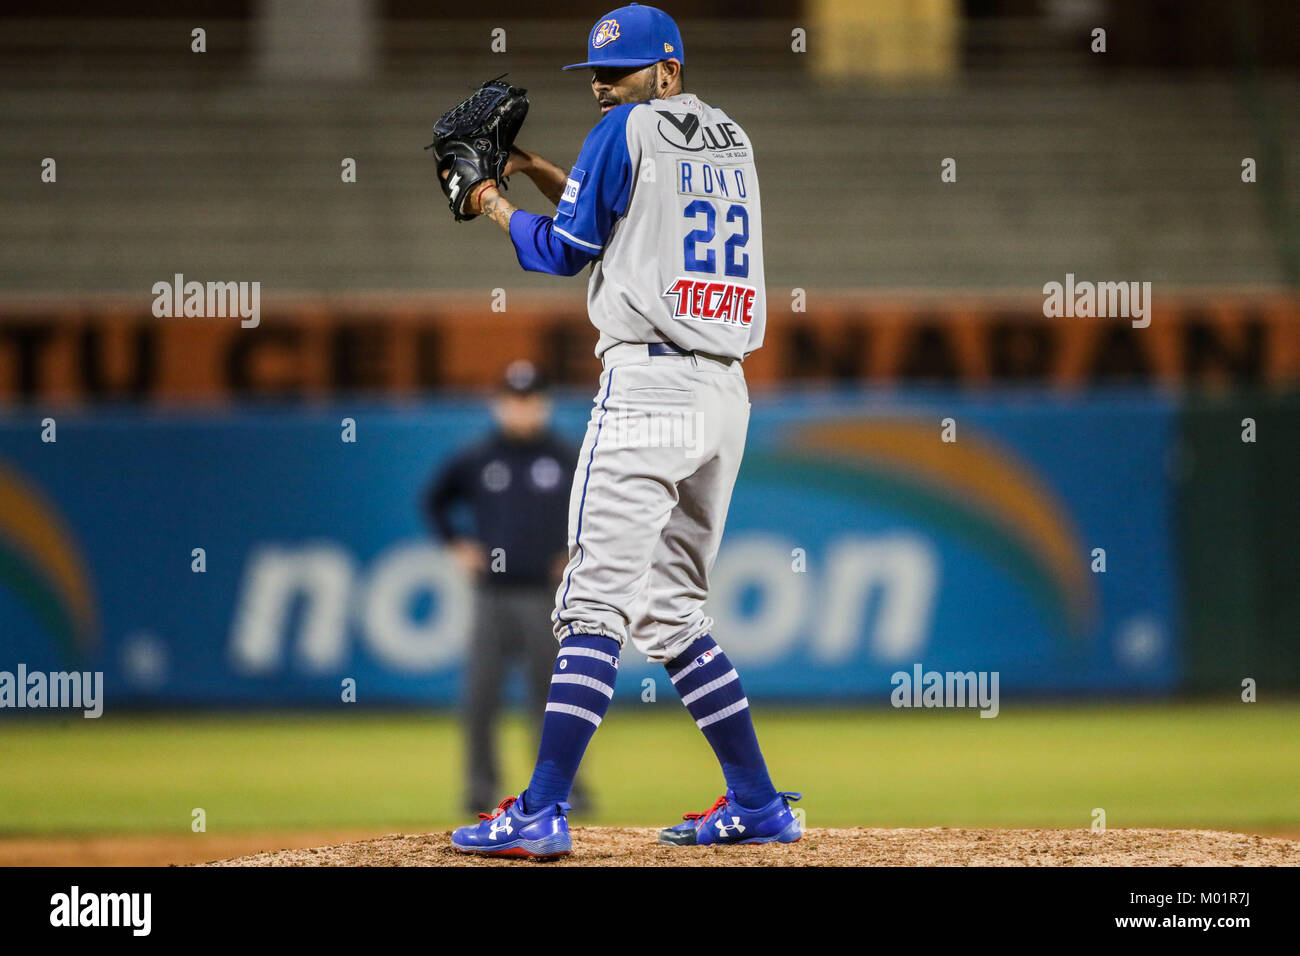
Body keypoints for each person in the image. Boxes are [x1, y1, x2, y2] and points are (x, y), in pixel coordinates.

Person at [446, 3, 801, 858]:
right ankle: (757, 804)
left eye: (622, 71)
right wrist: (530, 164)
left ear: (668, 70)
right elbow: (624, 222)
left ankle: (536, 811)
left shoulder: (624, 132)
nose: (605, 87)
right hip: (723, 393)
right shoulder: (729, 139)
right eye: (597, 75)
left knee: (592, 606)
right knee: (675, 614)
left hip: (647, 385)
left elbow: (567, 251)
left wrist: (490, 197)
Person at [423, 359, 588, 815]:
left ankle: (565, 791)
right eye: (514, 401)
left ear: (544, 404)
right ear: (500, 404)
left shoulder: (565, 456)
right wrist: (455, 545)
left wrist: (576, 550)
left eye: (530, 400)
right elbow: (433, 500)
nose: (522, 409)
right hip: (492, 594)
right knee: (481, 697)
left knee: (556, 700)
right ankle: (480, 790)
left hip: (547, 597)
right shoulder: (478, 456)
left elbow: (596, 508)